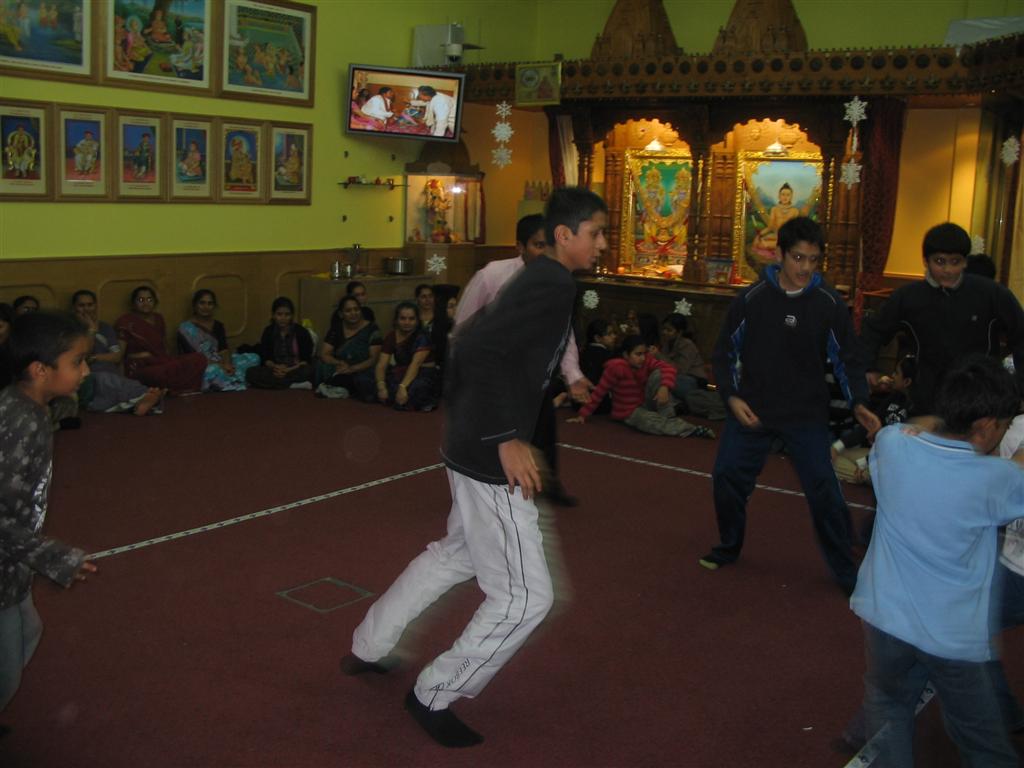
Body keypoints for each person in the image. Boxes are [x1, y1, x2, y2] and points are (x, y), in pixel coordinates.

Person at [340, 187, 608, 748]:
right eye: (596, 233)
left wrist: (558, 384)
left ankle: (369, 644)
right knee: (526, 597)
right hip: (489, 456)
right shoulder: (551, 283)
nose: (602, 244)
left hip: (469, 442)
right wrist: (505, 437)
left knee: (457, 553)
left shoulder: (541, 278)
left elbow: (479, 345)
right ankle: (435, 692)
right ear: (565, 235)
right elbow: (479, 351)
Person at [850, 356, 1023, 767]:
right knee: (981, 739)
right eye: (1003, 427)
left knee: (887, 706)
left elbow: (913, 427)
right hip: (950, 636)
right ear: (985, 427)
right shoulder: (995, 479)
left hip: (884, 618)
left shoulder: (893, 444)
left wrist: (937, 420)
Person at [700, 216, 879, 595]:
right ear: (779, 254)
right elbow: (723, 354)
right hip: (753, 410)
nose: (805, 268)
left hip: (805, 416)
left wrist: (859, 402)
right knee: (727, 476)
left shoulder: (828, 303)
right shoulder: (752, 299)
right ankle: (729, 545)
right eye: (798, 258)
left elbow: (847, 358)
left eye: (813, 260)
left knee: (824, 490)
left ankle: (846, 572)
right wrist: (731, 396)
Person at [455, 213, 591, 506]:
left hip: (535, 376)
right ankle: (489, 489)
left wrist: (573, 374)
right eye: (538, 245)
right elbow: (464, 322)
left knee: (542, 430)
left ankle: (547, 485)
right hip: (494, 375)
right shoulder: (493, 274)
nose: (545, 253)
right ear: (520, 247)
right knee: (494, 436)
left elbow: (563, 333)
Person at [1, 311, 97, 714]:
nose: (86, 371)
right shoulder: (17, 424)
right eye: (77, 362)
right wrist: (53, 556)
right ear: (40, 370)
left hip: (11, 562)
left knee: (28, 631)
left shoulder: (30, 408)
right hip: (5, 562)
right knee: (6, 670)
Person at [860, 222, 1024, 415]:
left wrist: (1019, 388)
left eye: (955, 262)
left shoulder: (991, 293)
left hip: (981, 397)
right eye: (940, 261)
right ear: (926, 261)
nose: (948, 269)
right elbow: (873, 331)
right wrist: (867, 368)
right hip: (928, 397)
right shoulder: (908, 297)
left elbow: (1020, 334)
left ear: (965, 262)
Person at [569, 334, 713, 437]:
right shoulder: (615, 368)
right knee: (649, 422)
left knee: (659, 374)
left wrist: (664, 387)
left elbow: (669, 368)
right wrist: (583, 414)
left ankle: (668, 417)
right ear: (626, 355)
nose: (642, 358)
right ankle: (690, 429)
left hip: (645, 402)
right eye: (638, 354)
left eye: (644, 354)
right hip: (629, 411)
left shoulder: (646, 361)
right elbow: (600, 392)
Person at [71, 289, 163, 415]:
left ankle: (142, 401)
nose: (86, 309)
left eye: (90, 305)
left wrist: (95, 358)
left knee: (123, 382)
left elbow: (116, 356)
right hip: (88, 377)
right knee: (104, 380)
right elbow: (83, 356)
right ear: (74, 308)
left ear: (96, 306)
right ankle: (142, 398)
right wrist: (91, 331)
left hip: (111, 373)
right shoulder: (70, 330)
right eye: (81, 305)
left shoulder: (105, 328)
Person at [831, 354, 915, 485]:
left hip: (893, 462)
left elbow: (898, 450)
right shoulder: (894, 397)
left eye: (897, 373)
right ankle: (866, 476)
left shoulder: (916, 408)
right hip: (875, 454)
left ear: (907, 382)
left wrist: (864, 462)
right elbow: (868, 425)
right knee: (834, 456)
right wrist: (837, 446)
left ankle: (867, 477)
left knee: (843, 467)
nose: (893, 375)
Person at [115, 285, 206, 394]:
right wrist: (123, 378)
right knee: (159, 373)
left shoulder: (158, 318)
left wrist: (169, 361)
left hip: (161, 361)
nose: (145, 303)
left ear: (155, 302)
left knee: (199, 358)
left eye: (149, 299)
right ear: (133, 304)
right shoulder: (125, 322)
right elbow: (119, 355)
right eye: (140, 300)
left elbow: (164, 346)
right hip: (140, 367)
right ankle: (176, 387)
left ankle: (173, 387)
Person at [177, 289, 260, 392]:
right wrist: (221, 366)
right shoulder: (185, 329)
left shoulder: (218, 325)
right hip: (201, 366)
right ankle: (234, 380)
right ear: (195, 305)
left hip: (219, 361)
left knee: (253, 358)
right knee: (212, 371)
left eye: (210, 303)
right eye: (202, 303)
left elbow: (223, 349)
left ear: (214, 306)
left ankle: (227, 380)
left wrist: (227, 364)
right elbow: (194, 358)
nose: (206, 307)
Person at [374, 301, 438, 411]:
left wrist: (403, 387)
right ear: (396, 320)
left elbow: (415, 365)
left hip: (422, 373)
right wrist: (381, 386)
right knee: (368, 378)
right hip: (401, 371)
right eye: (402, 318)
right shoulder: (392, 336)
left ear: (417, 321)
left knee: (417, 389)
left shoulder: (423, 337)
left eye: (411, 319)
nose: (407, 322)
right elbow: (381, 364)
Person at [316, 296, 381, 401]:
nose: (353, 313)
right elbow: (324, 353)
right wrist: (339, 363)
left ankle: (331, 386)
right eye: (348, 311)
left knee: (365, 378)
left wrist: (352, 369)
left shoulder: (372, 329)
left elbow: (374, 359)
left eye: (356, 309)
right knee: (319, 365)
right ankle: (336, 386)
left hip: (362, 368)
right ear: (341, 314)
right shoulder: (336, 328)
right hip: (341, 367)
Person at [246, 297, 315, 390]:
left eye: (287, 314)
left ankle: (280, 384)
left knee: (309, 371)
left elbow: (306, 360)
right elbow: (265, 358)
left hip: (294, 368)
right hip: (275, 369)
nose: (283, 318)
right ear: (273, 315)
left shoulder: (301, 332)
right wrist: (276, 367)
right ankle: (293, 385)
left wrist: (288, 370)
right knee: (251, 373)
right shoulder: (268, 331)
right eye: (279, 314)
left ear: (292, 316)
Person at [657, 312, 707, 399]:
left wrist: (658, 355)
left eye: (669, 330)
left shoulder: (687, 345)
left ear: (679, 332)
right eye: (664, 329)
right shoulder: (667, 343)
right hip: (676, 377)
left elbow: (680, 370)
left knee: (661, 379)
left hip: (693, 380)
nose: (664, 332)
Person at [579, 318, 617, 415]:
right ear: (597, 338)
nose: (614, 336)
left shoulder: (584, 352)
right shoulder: (606, 355)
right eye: (609, 334)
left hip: (579, 401)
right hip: (598, 403)